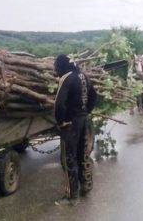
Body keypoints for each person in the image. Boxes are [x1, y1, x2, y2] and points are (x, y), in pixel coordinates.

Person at [53, 54, 97, 205]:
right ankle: (86, 186)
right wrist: (86, 112)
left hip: (70, 124)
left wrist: (61, 122)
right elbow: (94, 96)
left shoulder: (67, 78)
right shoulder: (84, 76)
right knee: (82, 154)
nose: (56, 69)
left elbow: (59, 104)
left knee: (68, 158)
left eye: (56, 66)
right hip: (83, 121)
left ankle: (72, 196)